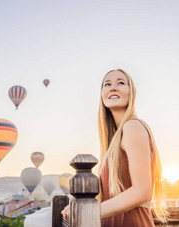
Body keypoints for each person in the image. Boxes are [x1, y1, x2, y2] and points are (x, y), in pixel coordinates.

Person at [62, 69, 168, 226]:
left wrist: (88, 211)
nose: (113, 87)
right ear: (102, 95)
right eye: (107, 84)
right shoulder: (113, 142)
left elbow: (142, 191)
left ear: (131, 93)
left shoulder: (132, 126)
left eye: (121, 83)